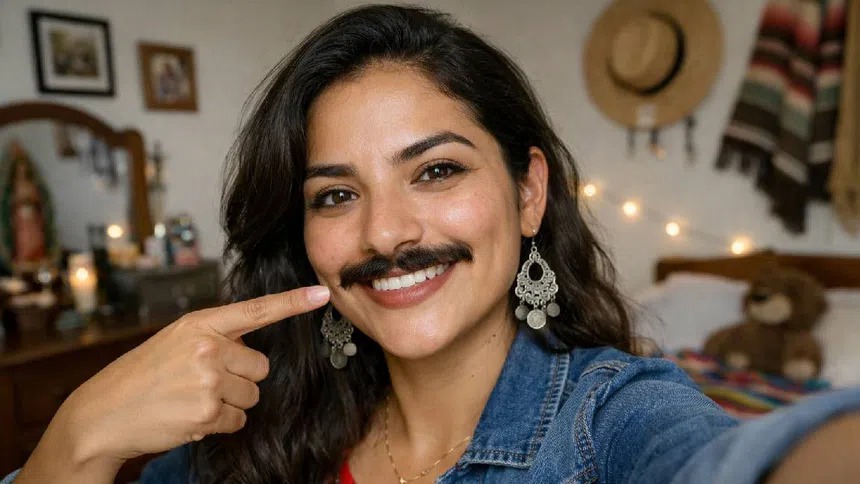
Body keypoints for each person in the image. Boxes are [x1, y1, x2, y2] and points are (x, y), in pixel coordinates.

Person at [6, 5, 860, 484]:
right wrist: (80, 435)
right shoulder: (253, 432)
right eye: (336, 194)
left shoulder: (613, 421)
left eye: (437, 170)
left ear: (529, 193)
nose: (385, 232)